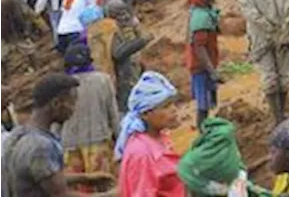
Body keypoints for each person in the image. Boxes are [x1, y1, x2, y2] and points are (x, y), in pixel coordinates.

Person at [1, 74, 112, 197]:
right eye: (72, 103)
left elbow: (44, 177)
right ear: (56, 104)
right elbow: (61, 195)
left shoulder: (18, 134)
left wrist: (85, 178)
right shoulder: (41, 146)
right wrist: (114, 194)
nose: (73, 110)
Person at [59, 43, 119, 188]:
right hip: (98, 142)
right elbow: (113, 113)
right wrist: (119, 139)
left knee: (77, 189)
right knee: (103, 186)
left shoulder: (61, 85)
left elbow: (55, 122)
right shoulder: (103, 80)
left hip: (70, 145)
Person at [116, 72, 184, 197]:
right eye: (166, 106)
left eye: (173, 104)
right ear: (145, 114)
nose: (174, 110)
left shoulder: (160, 137)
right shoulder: (142, 153)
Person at [184, 0, 220, 130]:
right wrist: (212, 71)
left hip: (203, 65)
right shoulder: (200, 19)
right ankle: (202, 132)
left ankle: (204, 129)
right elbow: (200, 48)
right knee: (203, 104)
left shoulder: (202, 12)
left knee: (206, 101)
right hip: (201, 67)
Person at [104, 0, 148, 112]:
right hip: (134, 57)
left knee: (127, 86)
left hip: (128, 59)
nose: (123, 17)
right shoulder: (132, 21)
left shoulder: (113, 26)